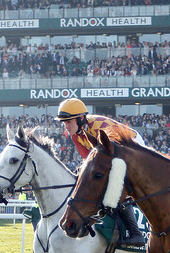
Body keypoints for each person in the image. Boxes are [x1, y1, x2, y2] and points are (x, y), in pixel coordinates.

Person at [55, 97, 145, 245]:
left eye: (69, 121)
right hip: (111, 153)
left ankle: (136, 233)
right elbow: (88, 161)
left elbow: (114, 157)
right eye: (64, 122)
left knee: (114, 187)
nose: (66, 126)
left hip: (131, 146)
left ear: (81, 118)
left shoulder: (101, 127)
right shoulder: (75, 135)